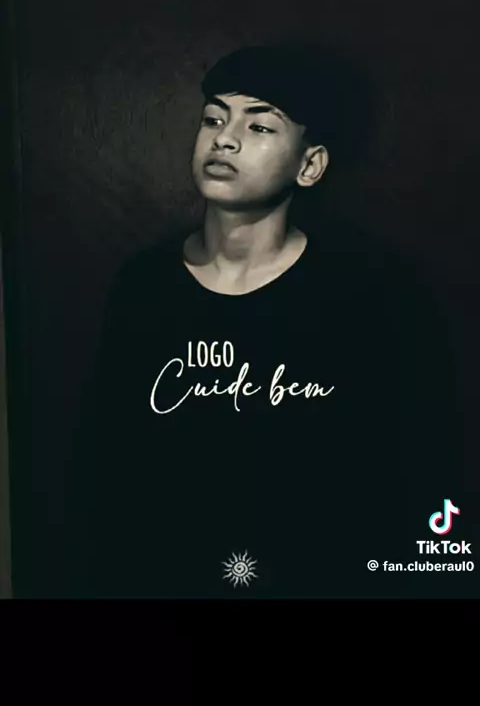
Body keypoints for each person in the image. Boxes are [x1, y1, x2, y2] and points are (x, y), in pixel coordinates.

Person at [78, 45, 467, 599]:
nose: (225, 139)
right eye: (214, 118)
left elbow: (422, 470)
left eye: (259, 126)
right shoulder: (144, 285)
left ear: (310, 165)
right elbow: (109, 467)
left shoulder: (372, 291)